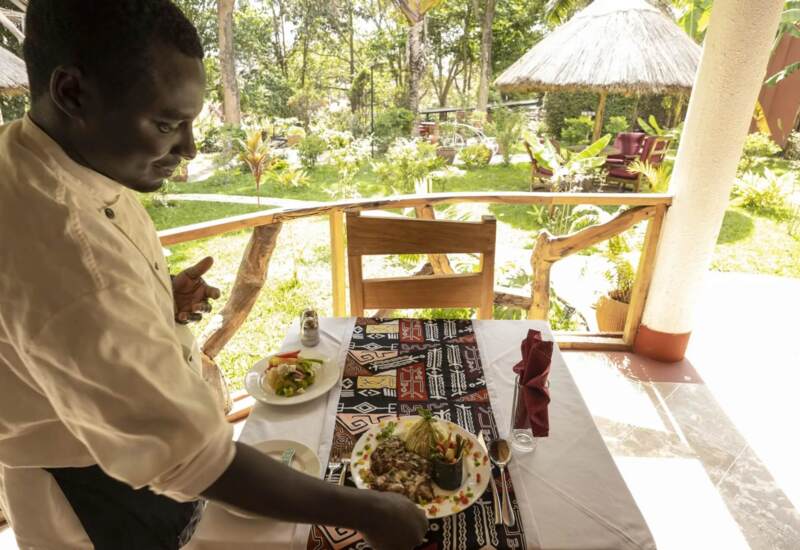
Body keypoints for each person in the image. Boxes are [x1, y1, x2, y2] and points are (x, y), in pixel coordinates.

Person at [0, 1, 428, 549]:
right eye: (166, 124)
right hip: (92, 498)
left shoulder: (42, 158)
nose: (189, 148)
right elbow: (193, 460)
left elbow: (64, 326)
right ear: (72, 93)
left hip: (118, 460)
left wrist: (152, 302)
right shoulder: (67, 248)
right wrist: (367, 510)